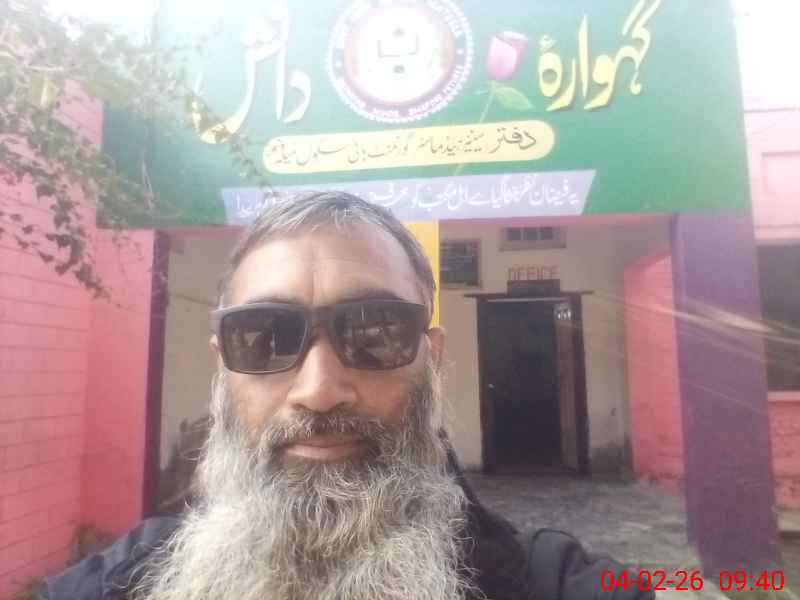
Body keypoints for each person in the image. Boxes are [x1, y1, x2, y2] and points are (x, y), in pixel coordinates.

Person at [41, 192, 652, 600]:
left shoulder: (549, 584)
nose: (320, 391)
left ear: (431, 357)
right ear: (223, 366)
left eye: (376, 332)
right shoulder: (122, 582)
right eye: (265, 338)